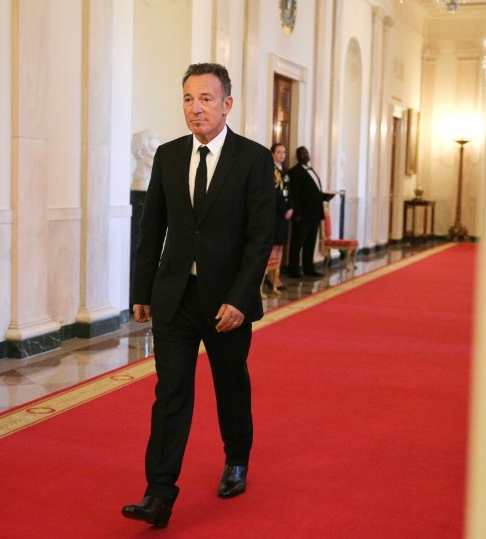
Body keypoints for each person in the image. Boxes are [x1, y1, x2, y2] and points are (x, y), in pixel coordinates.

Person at [122, 63, 275, 529]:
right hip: (174, 297)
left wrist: (240, 298)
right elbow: (152, 230)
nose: (196, 108)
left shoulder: (252, 158)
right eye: (188, 98)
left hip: (226, 302)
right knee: (170, 394)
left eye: (206, 99)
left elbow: (259, 238)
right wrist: (142, 290)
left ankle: (236, 459)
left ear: (227, 104)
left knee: (230, 384)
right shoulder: (168, 157)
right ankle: (159, 494)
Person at [286, 146, 325, 278]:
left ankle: (309, 267)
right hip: (302, 215)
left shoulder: (311, 170)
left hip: (314, 214)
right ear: (298, 156)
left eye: (307, 153)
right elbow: (295, 194)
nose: (305, 155)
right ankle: (294, 269)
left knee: (310, 242)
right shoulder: (294, 172)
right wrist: (297, 213)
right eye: (303, 154)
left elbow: (314, 190)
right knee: (297, 243)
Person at [266, 143, 292, 294]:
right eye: (279, 152)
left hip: (286, 214)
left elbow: (290, 191)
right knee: (274, 245)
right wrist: (285, 209)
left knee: (281, 245)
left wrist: (292, 208)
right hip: (276, 213)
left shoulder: (285, 171)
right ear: (272, 154)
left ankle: (277, 275)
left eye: (284, 152)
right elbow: (274, 193)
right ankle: (270, 276)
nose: (282, 155)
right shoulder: (271, 170)